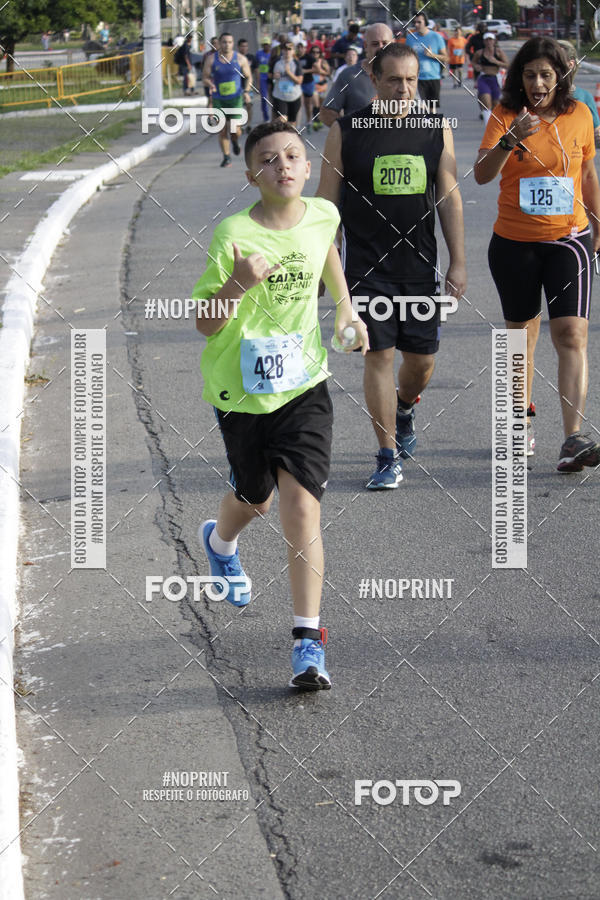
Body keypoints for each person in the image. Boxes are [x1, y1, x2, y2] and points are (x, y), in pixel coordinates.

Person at [193, 119, 368, 689]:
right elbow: (203, 322)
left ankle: (307, 643)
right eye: (269, 160)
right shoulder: (232, 236)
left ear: (308, 166)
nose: (283, 165)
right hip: (241, 389)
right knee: (256, 498)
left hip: (303, 385)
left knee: (302, 506)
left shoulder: (324, 214)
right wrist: (238, 283)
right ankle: (220, 542)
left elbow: (326, 258)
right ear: (251, 175)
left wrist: (345, 310)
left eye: (293, 155)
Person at [317, 43, 466, 488]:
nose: (403, 89)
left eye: (411, 80)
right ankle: (385, 455)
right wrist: (322, 269)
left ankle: (404, 408)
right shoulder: (346, 131)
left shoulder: (435, 128)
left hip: (419, 268)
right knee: (378, 356)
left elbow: (449, 196)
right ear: (374, 81)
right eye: (394, 80)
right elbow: (326, 206)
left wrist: (458, 261)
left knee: (421, 362)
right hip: (365, 269)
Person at [474, 37, 600, 470]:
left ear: (560, 76)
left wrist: (598, 223)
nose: (538, 82)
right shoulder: (506, 114)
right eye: (530, 74)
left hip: (570, 240)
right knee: (519, 339)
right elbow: (481, 175)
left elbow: (586, 172)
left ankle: (573, 438)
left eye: (546, 74)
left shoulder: (580, 114)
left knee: (571, 334)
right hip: (514, 244)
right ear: (519, 78)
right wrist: (509, 140)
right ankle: (518, 425)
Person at [320, 23, 393, 127]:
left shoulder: (403, 74)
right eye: (375, 44)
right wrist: (348, 133)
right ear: (365, 46)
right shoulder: (349, 75)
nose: (380, 48)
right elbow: (326, 111)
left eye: (385, 43)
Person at [203, 32, 252, 167]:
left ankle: (235, 141)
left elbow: (248, 76)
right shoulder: (212, 59)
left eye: (230, 42)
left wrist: (246, 91)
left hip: (235, 99)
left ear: (233, 43)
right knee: (222, 129)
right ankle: (226, 156)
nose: (227, 45)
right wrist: (210, 84)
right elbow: (205, 77)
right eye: (224, 42)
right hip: (219, 99)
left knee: (235, 130)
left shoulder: (240, 59)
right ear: (219, 43)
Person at [558, 39, 600, 148]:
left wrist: (597, 136)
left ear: (570, 64)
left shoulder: (585, 97)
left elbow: (596, 132)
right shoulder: (540, 96)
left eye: (558, 60)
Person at [406, 12, 447, 105]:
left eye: (419, 22)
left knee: (432, 110)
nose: (416, 25)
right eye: (414, 22)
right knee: (419, 109)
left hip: (433, 77)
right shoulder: (410, 38)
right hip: (416, 79)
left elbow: (446, 58)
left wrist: (432, 55)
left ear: (426, 22)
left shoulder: (436, 37)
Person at [473, 33, 508, 124]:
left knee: (495, 105)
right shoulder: (480, 53)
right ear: (484, 41)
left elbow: (508, 65)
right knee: (486, 103)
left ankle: (494, 126)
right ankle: (487, 125)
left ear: (494, 41)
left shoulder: (498, 52)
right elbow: (474, 62)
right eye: (487, 40)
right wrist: (476, 66)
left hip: (495, 79)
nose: (489, 42)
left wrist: (496, 62)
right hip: (483, 78)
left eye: (490, 39)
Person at [271, 41, 303, 126]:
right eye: (285, 49)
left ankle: (289, 138)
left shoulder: (296, 63)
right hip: (280, 96)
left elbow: (299, 81)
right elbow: (269, 74)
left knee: (291, 123)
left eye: (289, 49)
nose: (287, 51)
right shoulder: (276, 61)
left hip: (294, 96)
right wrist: (274, 76)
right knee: (282, 119)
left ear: (293, 51)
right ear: (282, 50)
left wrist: (289, 73)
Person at [300, 44, 329, 130]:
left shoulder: (322, 61)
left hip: (322, 85)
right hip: (313, 85)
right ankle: (314, 121)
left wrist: (320, 70)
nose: (315, 54)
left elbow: (327, 73)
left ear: (320, 53)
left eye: (317, 52)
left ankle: (319, 119)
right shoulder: (308, 61)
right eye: (313, 52)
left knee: (320, 105)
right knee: (313, 103)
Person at [238, 39, 256, 131]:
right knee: (239, 106)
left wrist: (258, 85)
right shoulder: (235, 58)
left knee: (249, 105)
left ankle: (249, 124)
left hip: (248, 85)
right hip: (237, 86)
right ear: (238, 47)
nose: (244, 48)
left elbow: (256, 71)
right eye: (242, 46)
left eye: (246, 46)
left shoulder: (251, 57)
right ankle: (240, 125)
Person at [255, 39, 272, 122]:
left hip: (271, 79)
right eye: (265, 44)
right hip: (262, 79)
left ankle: (275, 116)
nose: (266, 46)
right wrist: (257, 83)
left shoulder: (273, 54)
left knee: (274, 99)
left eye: (268, 44)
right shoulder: (258, 54)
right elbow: (257, 68)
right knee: (264, 99)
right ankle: (266, 118)